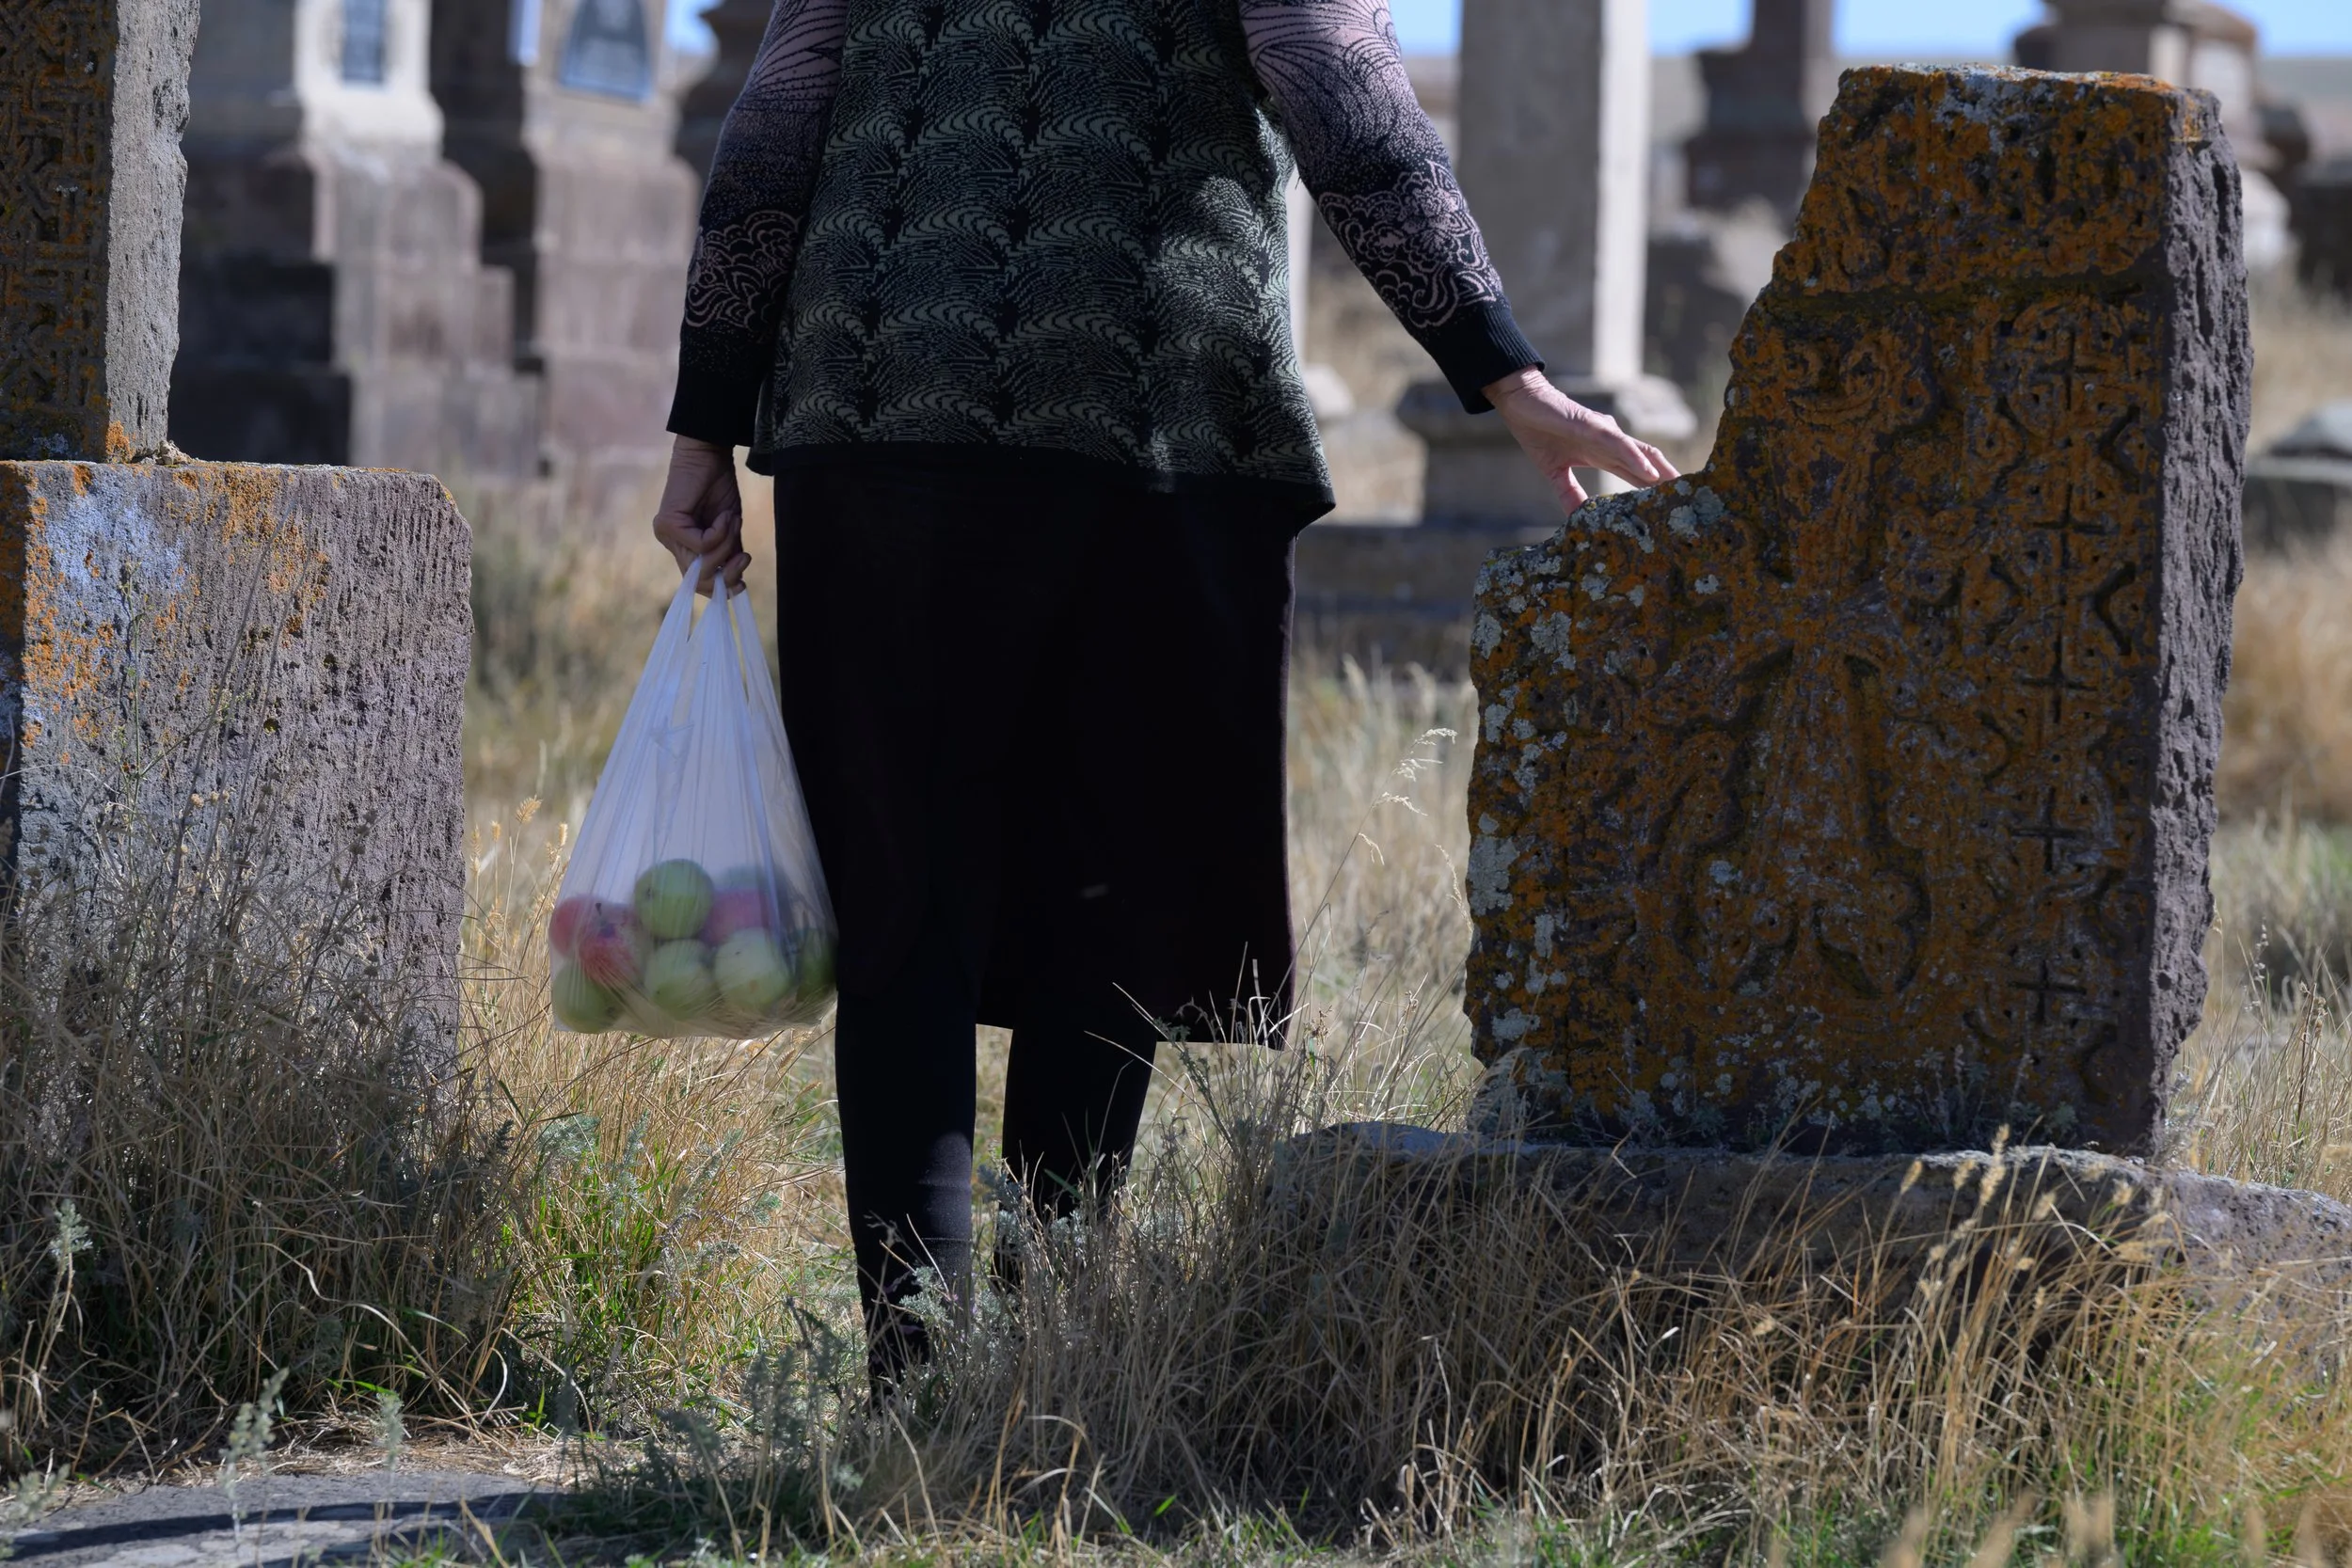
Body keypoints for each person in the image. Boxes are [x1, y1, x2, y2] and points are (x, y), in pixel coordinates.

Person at [651, 0, 1678, 1377]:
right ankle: (1046, 1358)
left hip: (878, 406)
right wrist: (1504, 370)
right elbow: (1337, 89)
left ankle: (920, 1380)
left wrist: (707, 414)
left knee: (907, 908)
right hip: (1146, 400)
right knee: (1106, 893)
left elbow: (775, 121)